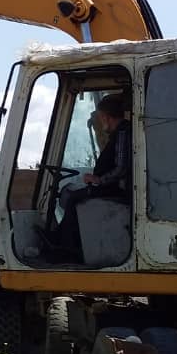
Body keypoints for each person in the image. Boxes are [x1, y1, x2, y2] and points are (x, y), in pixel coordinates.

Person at [49, 92, 132, 260]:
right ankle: (62, 240)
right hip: (110, 187)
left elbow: (122, 167)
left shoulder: (123, 133)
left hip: (114, 190)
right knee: (75, 197)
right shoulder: (121, 133)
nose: (101, 124)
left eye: (101, 119)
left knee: (72, 199)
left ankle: (65, 247)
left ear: (106, 117)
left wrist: (99, 180)